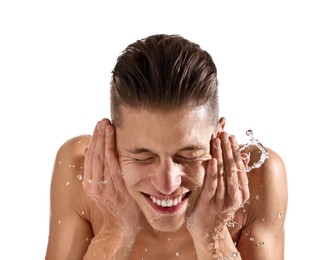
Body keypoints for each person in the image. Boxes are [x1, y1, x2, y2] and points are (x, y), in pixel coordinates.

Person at [45, 34, 287, 260]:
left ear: (217, 139)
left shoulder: (258, 177)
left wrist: (211, 234)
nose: (167, 184)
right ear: (112, 143)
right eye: (143, 158)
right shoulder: (82, 173)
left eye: (188, 156)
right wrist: (117, 229)